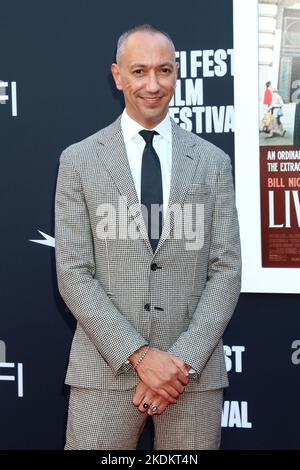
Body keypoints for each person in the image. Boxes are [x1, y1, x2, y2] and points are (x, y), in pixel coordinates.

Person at [55, 24, 241, 450]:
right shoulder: (79, 160)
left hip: (190, 377)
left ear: (177, 75)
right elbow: (73, 272)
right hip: (106, 370)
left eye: (165, 70)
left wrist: (181, 363)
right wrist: (141, 357)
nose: (153, 85)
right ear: (118, 76)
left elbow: (226, 268)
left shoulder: (213, 162)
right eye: (139, 71)